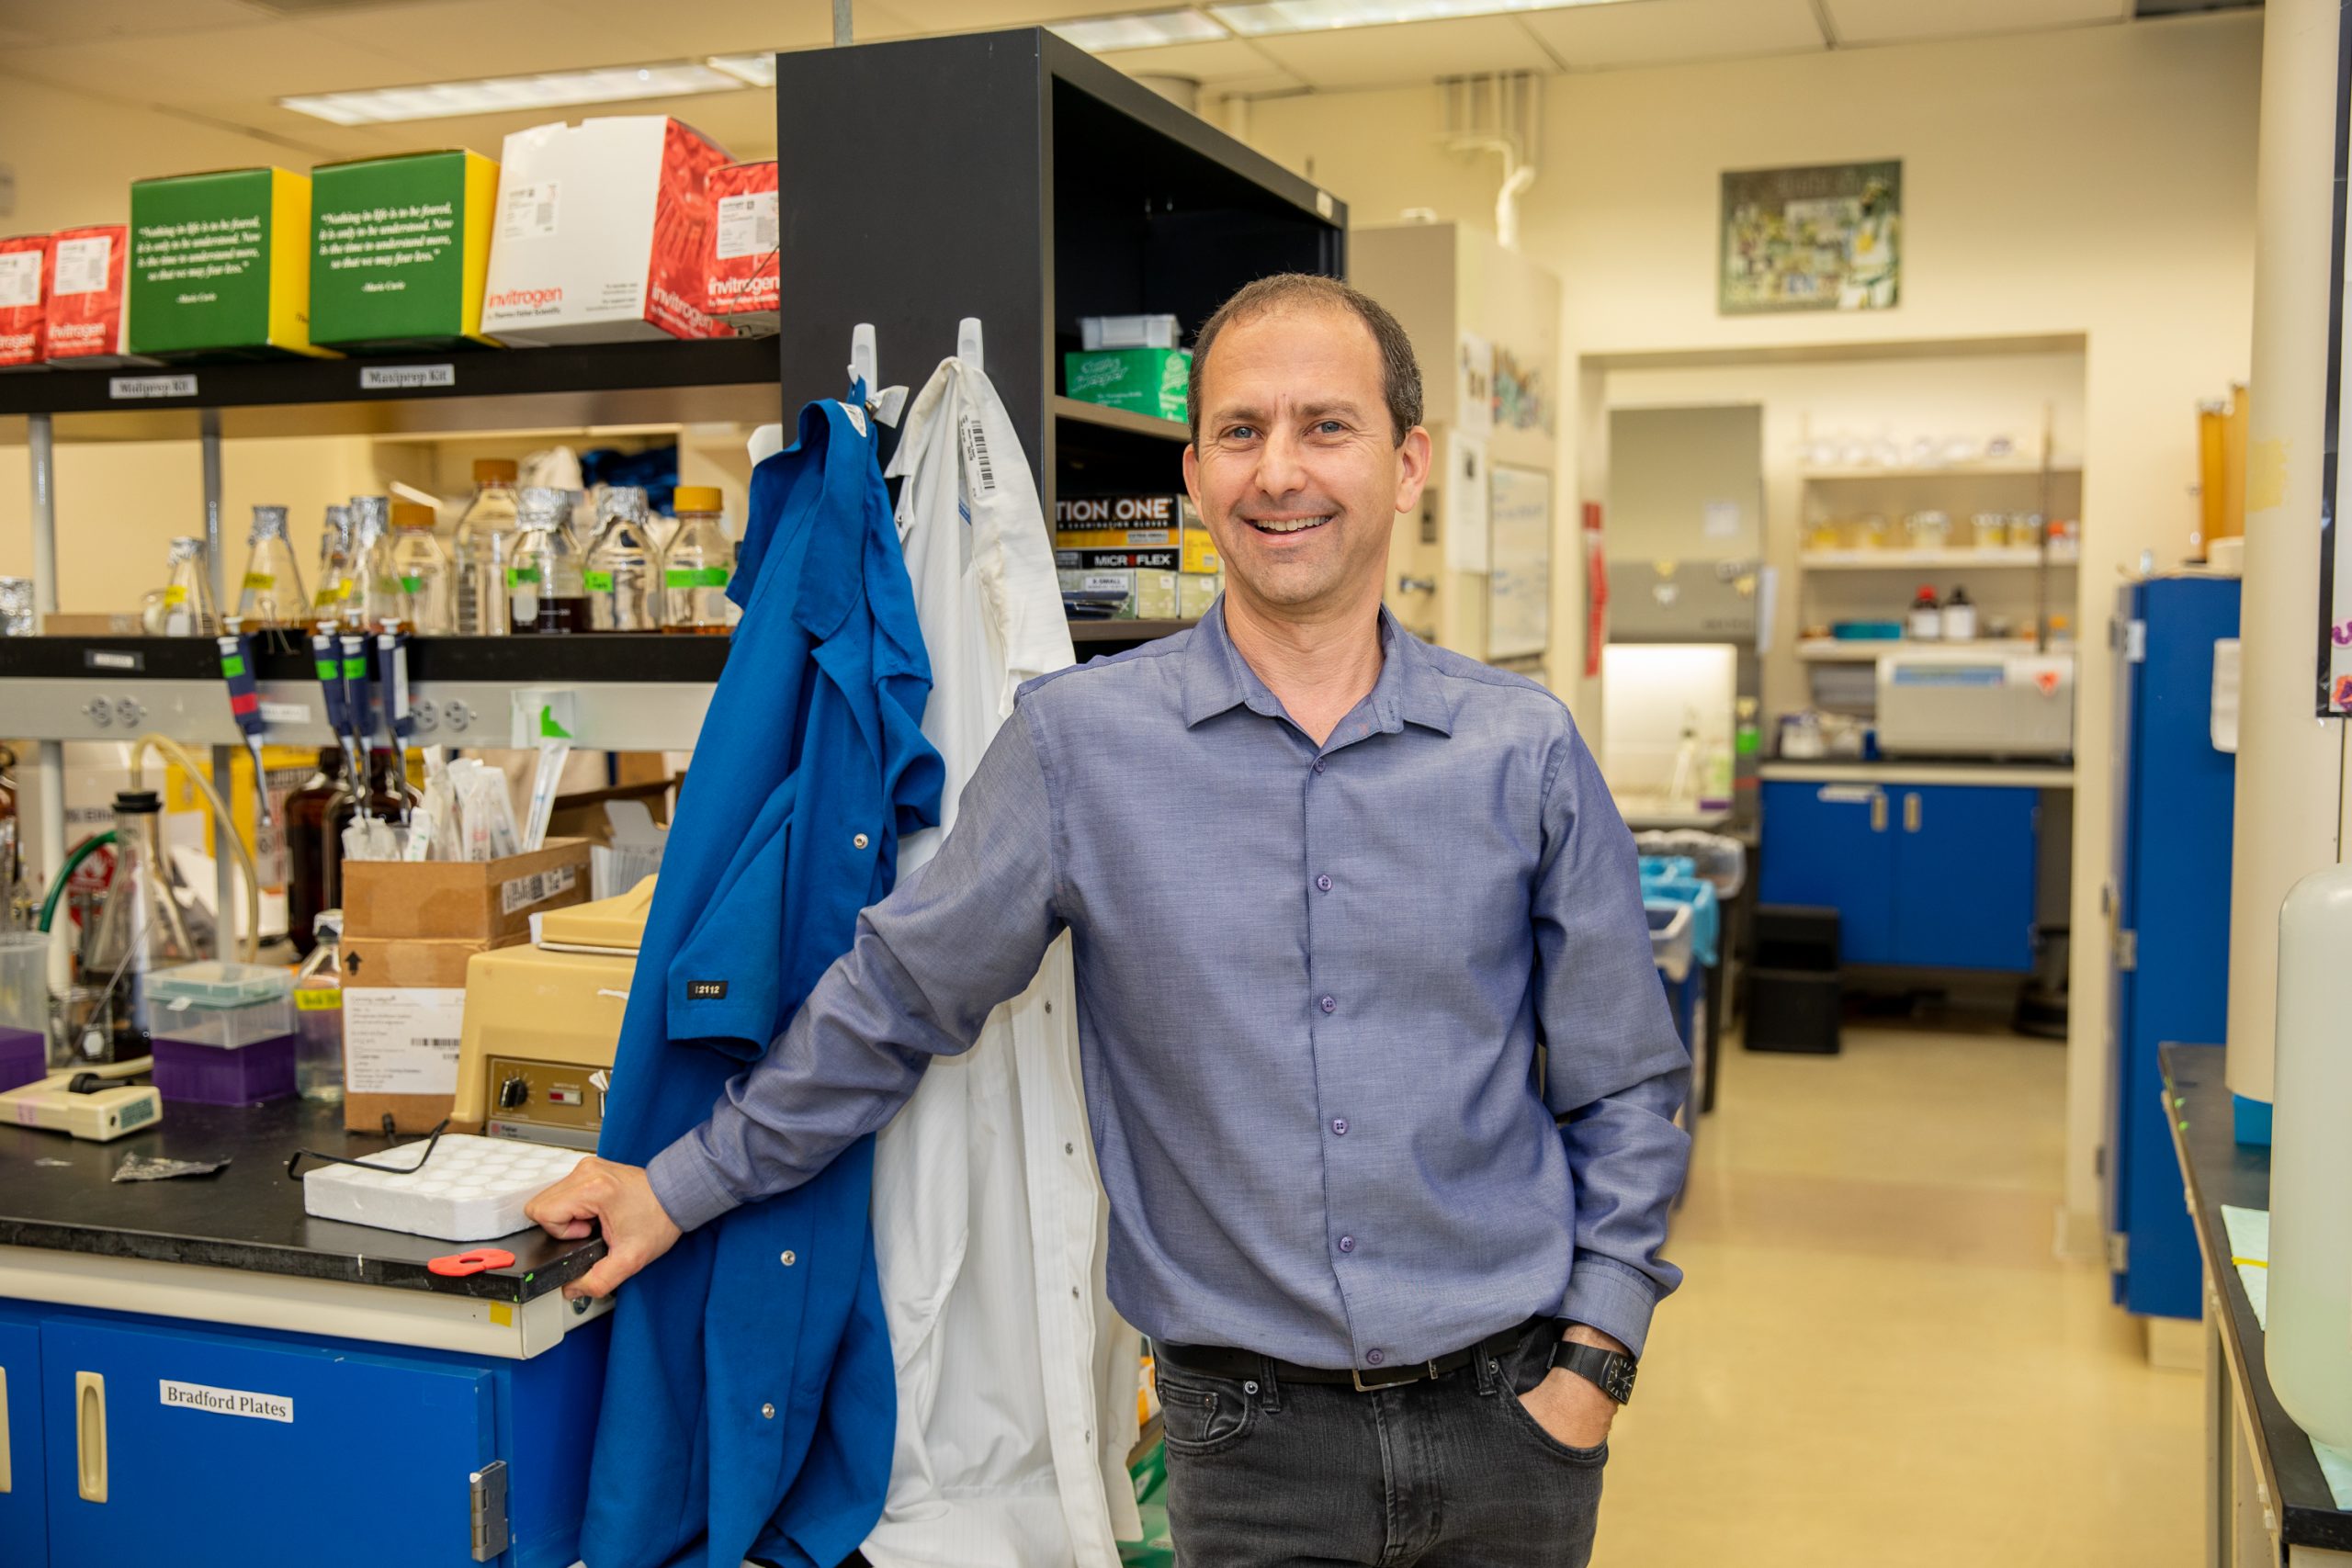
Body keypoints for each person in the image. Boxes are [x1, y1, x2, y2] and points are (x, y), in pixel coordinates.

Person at [527, 273, 1691, 1568]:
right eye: (1241, 432)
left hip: (1511, 1425)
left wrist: (1594, 1361)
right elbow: (895, 999)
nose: (1280, 472)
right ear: (1193, 475)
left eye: (1327, 427)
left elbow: (1627, 1087)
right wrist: (675, 1190)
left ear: (1409, 462)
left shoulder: (1517, 750)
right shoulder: (1080, 749)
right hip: (1248, 1449)